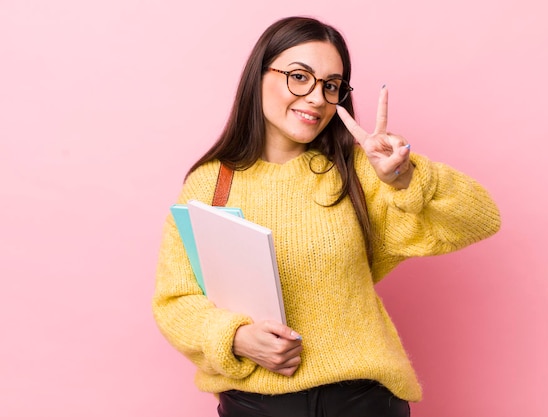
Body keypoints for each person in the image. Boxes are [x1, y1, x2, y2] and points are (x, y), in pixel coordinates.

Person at [153, 16, 501, 417]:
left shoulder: (361, 172)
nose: (317, 97)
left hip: (363, 402)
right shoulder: (210, 185)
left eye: (330, 85)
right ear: (258, 75)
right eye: (299, 77)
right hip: (256, 406)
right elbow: (174, 301)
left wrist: (406, 176)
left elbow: (480, 219)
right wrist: (234, 337)